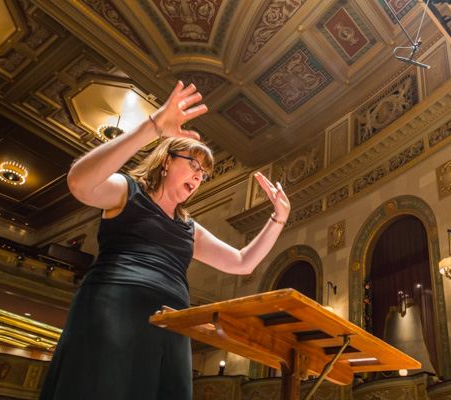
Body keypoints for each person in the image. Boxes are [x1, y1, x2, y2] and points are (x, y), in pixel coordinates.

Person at [39, 81, 290, 400]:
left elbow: (243, 262)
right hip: (112, 308)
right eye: (193, 165)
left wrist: (278, 217)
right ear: (167, 160)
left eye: (205, 173)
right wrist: (153, 126)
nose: (199, 176)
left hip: (171, 325)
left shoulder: (189, 227)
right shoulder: (127, 192)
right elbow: (79, 183)